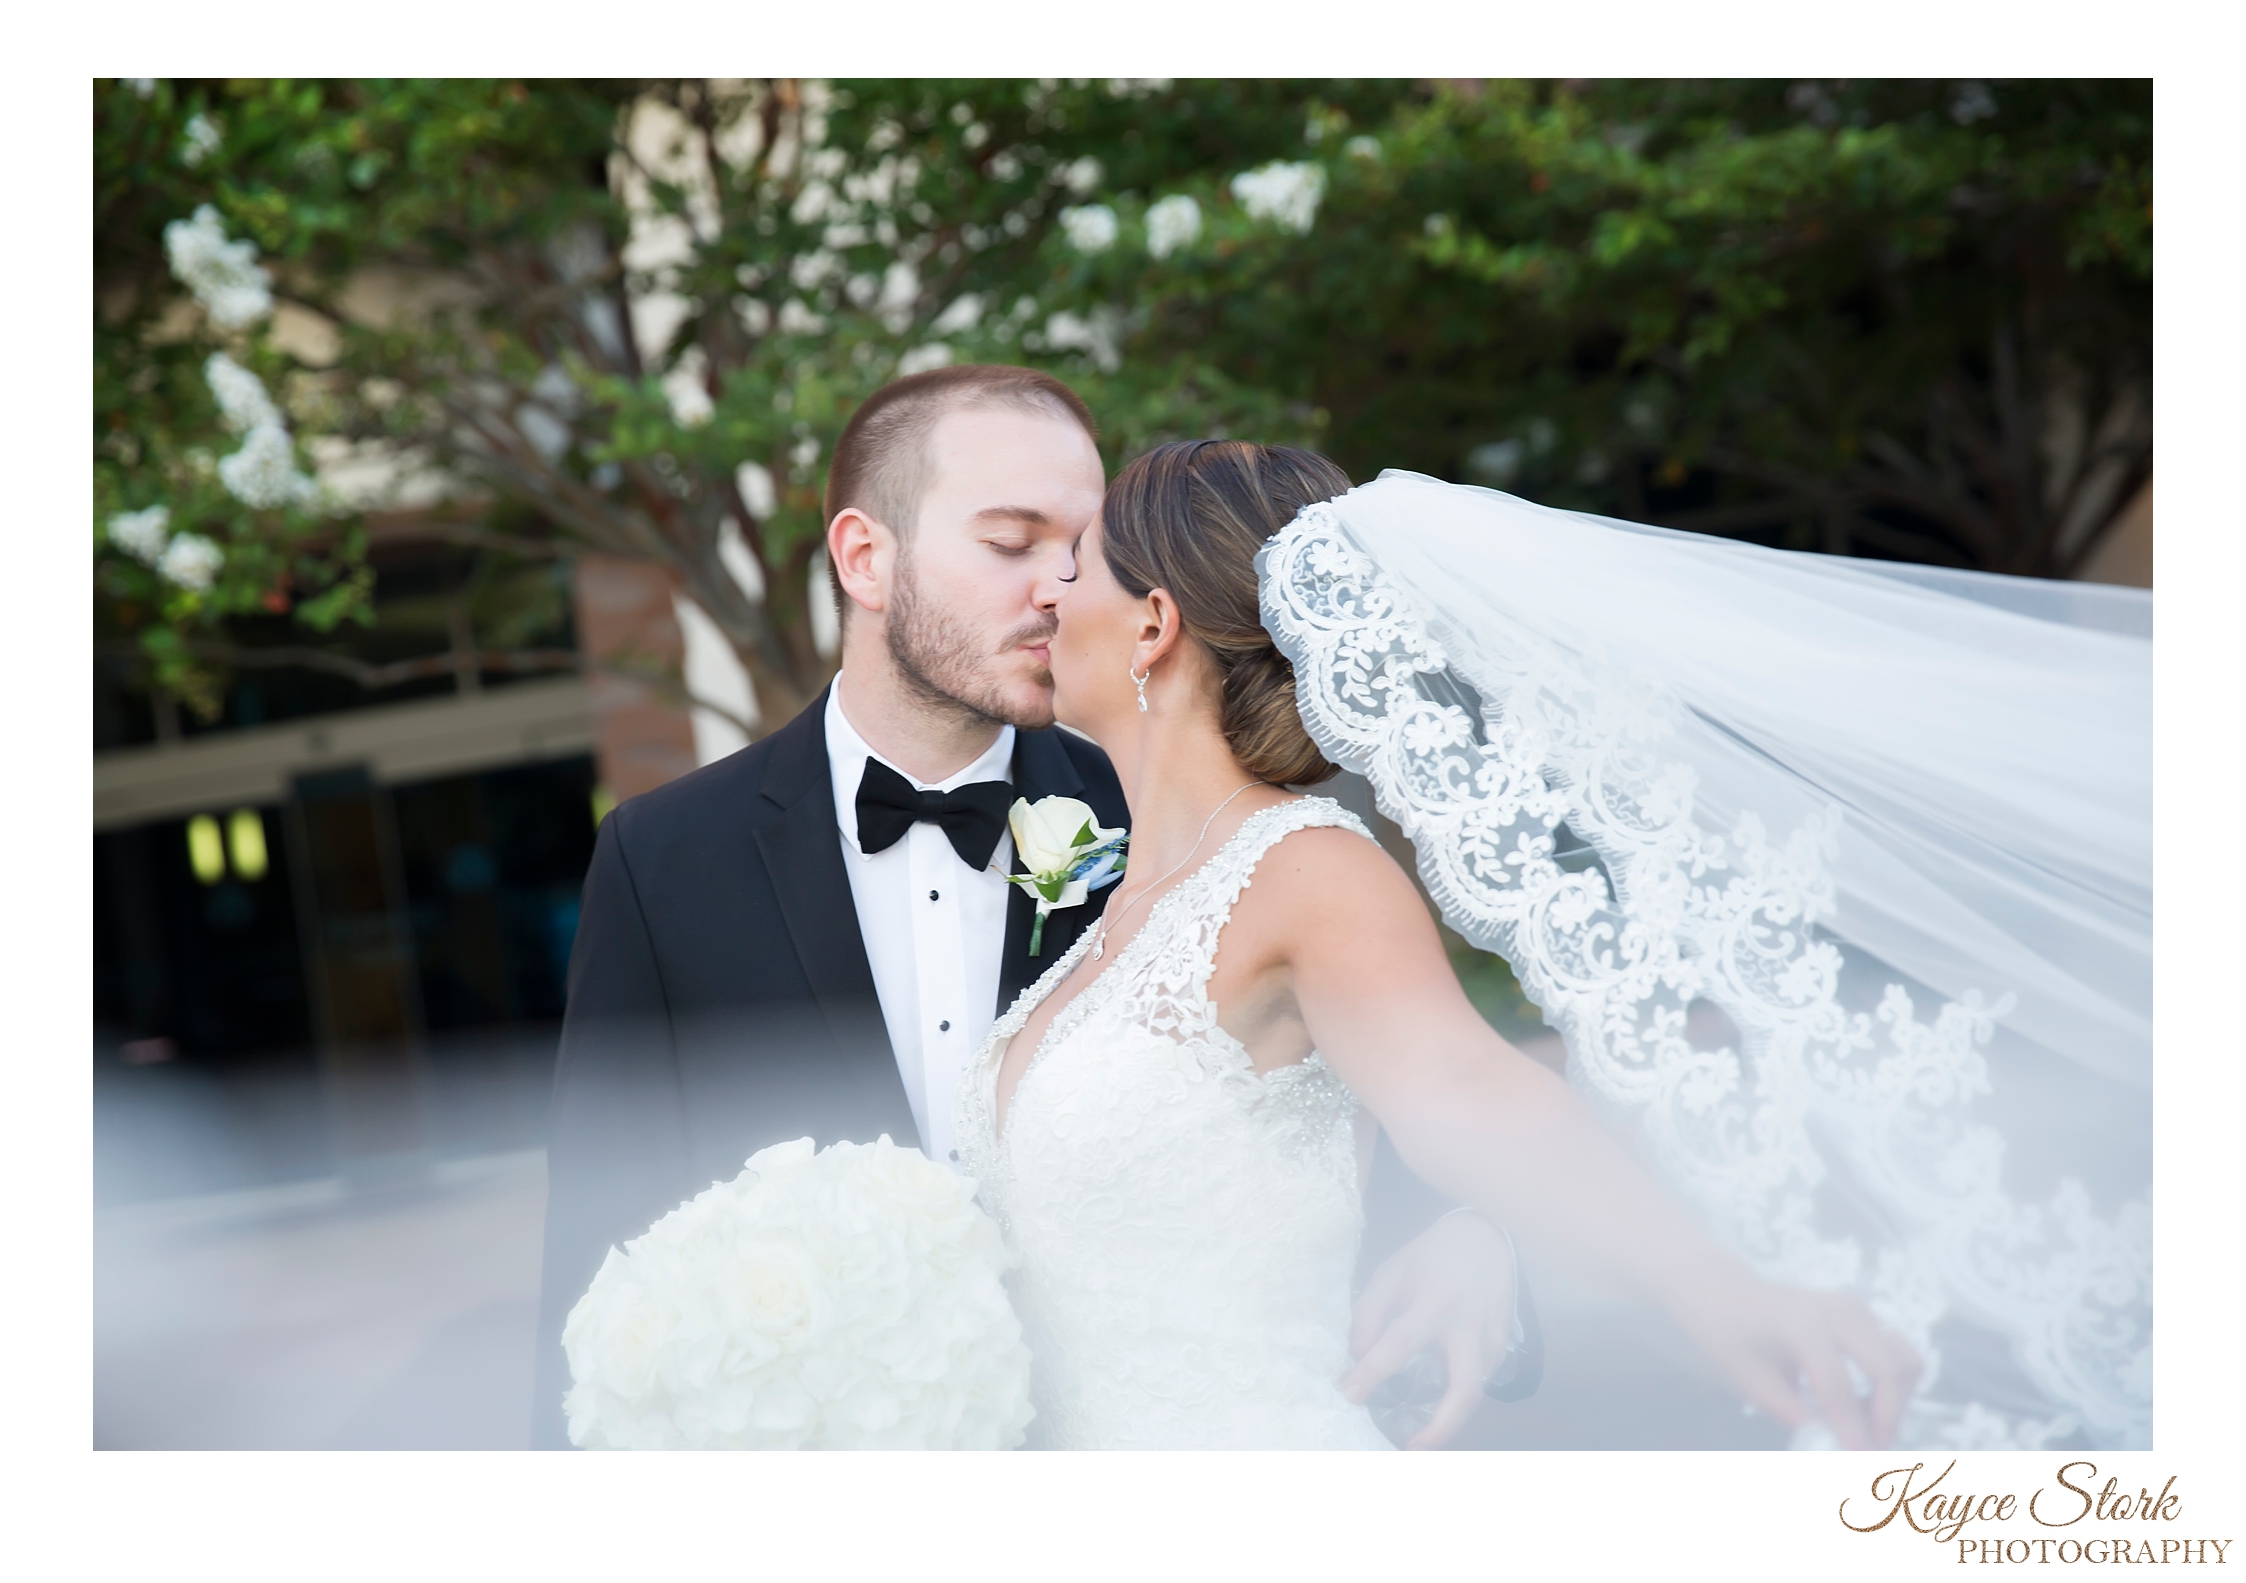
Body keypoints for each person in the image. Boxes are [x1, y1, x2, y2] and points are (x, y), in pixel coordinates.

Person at [532, 369, 1528, 1451]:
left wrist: (1486, 1234)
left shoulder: (1191, 819)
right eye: (1010, 543)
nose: (1055, 585)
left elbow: (1366, 1095)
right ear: (865, 557)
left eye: (1077, 546)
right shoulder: (664, 858)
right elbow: (600, 1265)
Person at [957, 439, 1953, 1450]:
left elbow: (1467, 1087)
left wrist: (1705, 1280)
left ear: (1153, 624)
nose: (1041, 594)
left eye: (1071, 566)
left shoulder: (1302, 871)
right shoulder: (1123, 901)